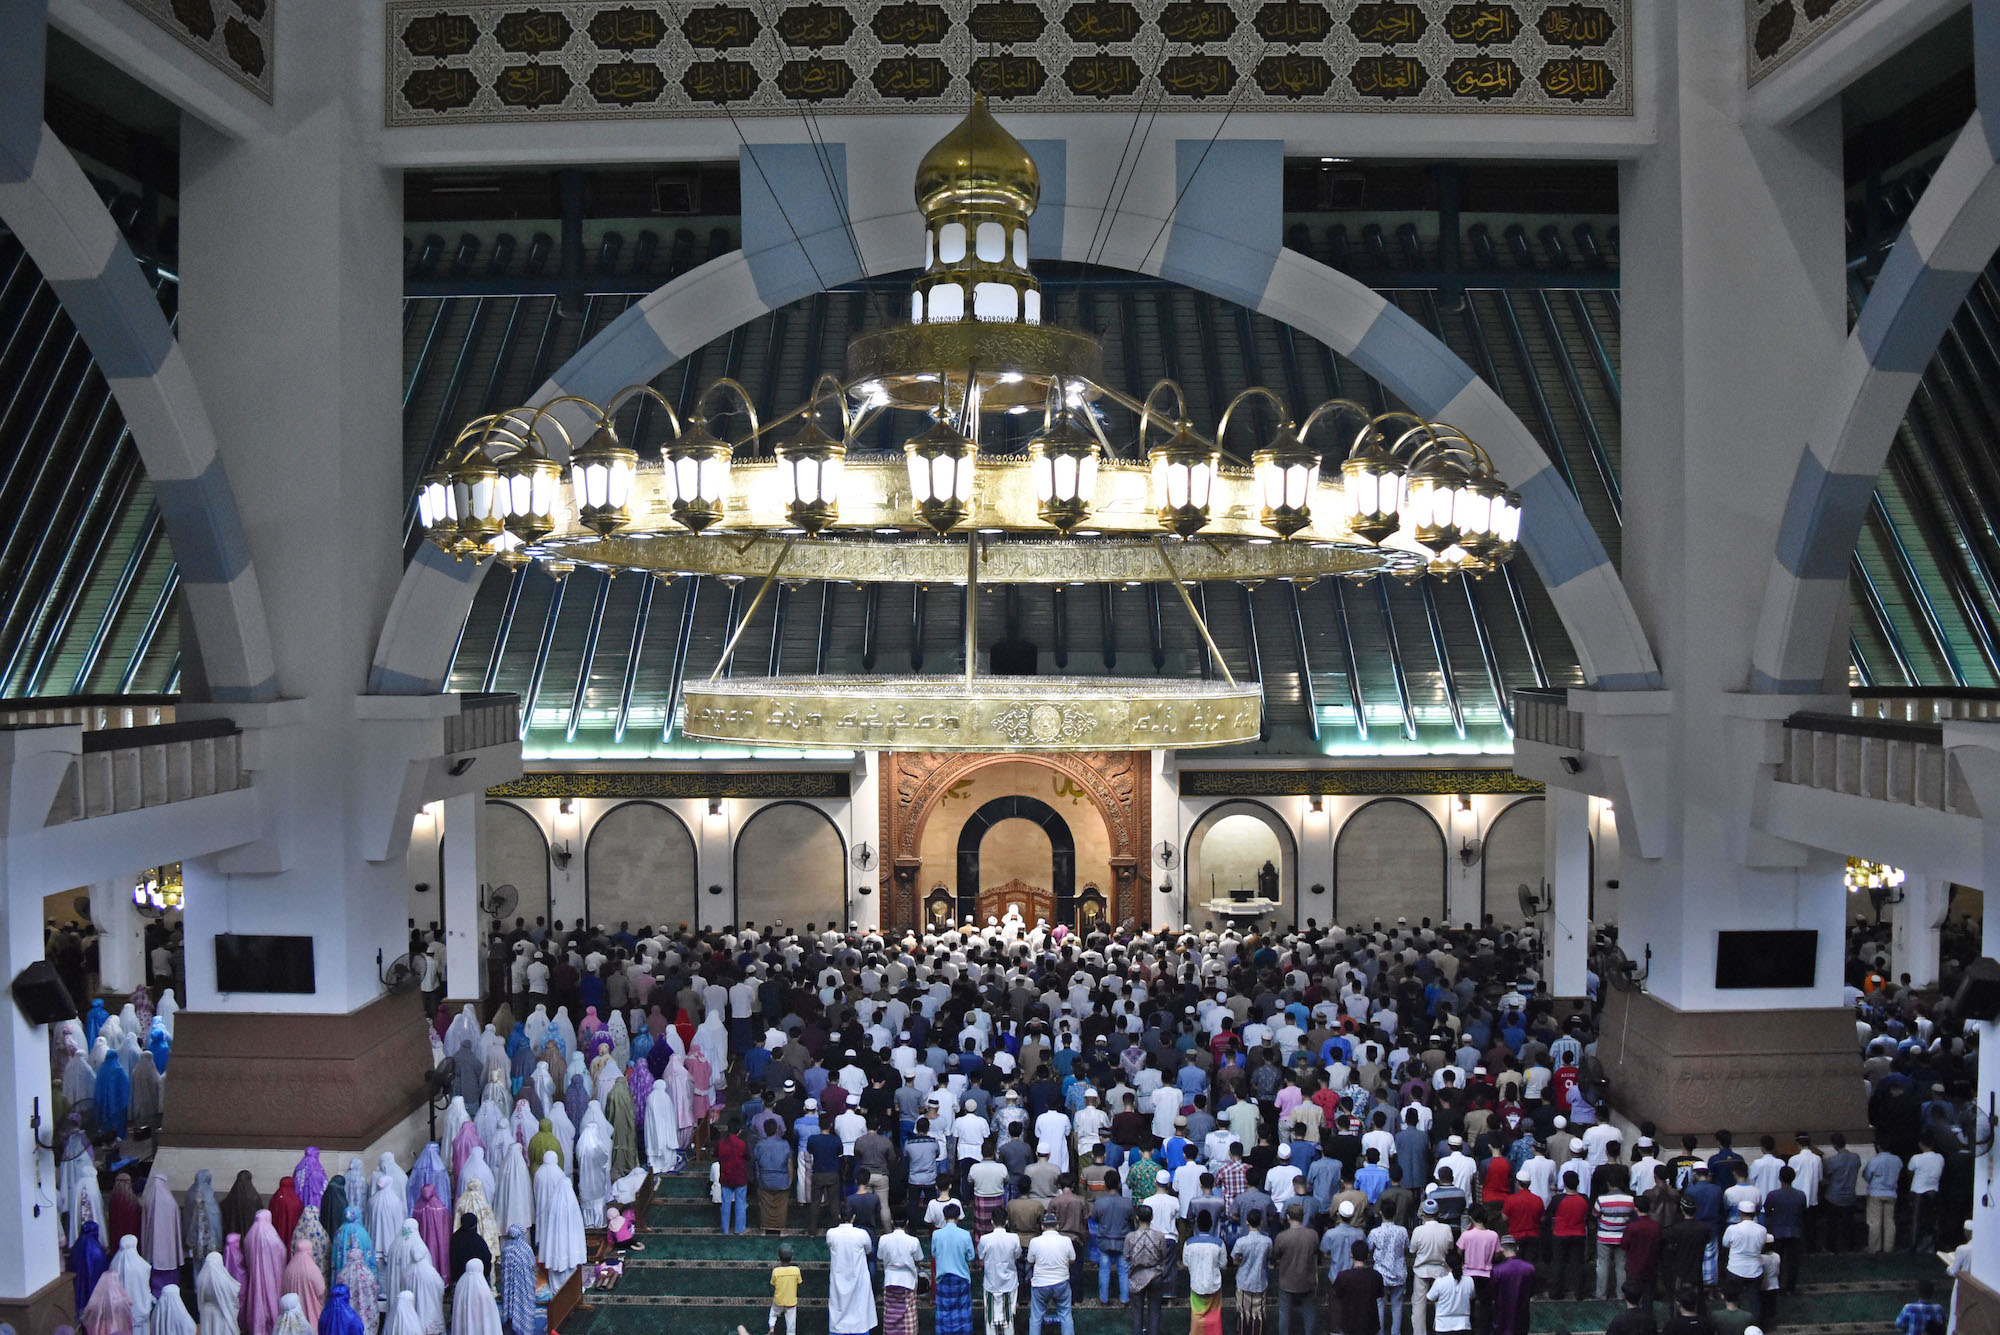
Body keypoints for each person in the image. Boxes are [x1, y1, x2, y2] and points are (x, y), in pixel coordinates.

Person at [825, 1206, 876, 1335]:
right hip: (858, 1276)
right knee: (859, 1307)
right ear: (854, 1217)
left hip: (839, 1275)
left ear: (839, 1217)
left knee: (839, 1307)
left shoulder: (831, 1233)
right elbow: (869, 1250)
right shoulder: (861, 1234)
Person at [1271, 1203, 1318, 1335]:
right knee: (1309, 1311)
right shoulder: (1313, 1235)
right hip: (1307, 1280)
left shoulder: (1282, 1237)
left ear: (1288, 1217)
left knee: (1284, 1313)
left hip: (1287, 1281)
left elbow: (1275, 1255)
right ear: (1303, 1217)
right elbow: (1316, 1252)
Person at [1125, 1205, 1171, 1335]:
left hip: (1136, 1276)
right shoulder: (1160, 1236)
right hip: (1155, 1275)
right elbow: (1164, 1255)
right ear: (1152, 1218)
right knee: (1155, 1310)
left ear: (1137, 1218)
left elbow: (1126, 1256)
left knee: (1137, 1312)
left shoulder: (1130, 1237)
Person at [932, 1204, 975, 1335]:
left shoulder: (937, 1234)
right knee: (962, 1311)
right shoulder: (965, 1234)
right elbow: (971, 1256)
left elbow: (934, 1253)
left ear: (944, 1217)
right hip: (961, 1277)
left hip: (943, 1277)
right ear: (958, 1217)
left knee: (944, 1311)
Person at [879, 1219, 925, 1335]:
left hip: (890, 1280)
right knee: (908, 1312)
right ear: (907, 1222)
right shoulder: (913, 1241)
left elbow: (880, 1256)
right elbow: (918, 1259)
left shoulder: (884, 1239)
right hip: (908, 1281)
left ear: (892, 1222)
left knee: (890, 1312)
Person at [1184, 1212, 1226, 1335]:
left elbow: (1186, 1263)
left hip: (1196, 1284)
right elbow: (1223, 1263)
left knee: (1197, 1315)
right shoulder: (1219, 1243)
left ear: (1197, 1225)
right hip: (1214, 1285)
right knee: (1215, 1315)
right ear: (1211, 1225)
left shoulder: (1188, 1243)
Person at [1231, 1208, 1272, 1335]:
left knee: (1243, 1315)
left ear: (1247, 1222)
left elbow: (1235, 1260)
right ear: (1260, 1222)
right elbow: (1268, 1258)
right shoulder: (1267, 1241)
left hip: (1244, 1282)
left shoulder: (1241, 1242)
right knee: (1258, 1316)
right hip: (1260, 1281)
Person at [979, 1217, 1022, 1335]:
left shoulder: (985, 1239)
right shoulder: (1014, 1238)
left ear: (992, 1221)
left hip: (991, 1282)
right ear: (1006, 1221)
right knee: (1009, 1318)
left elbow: (981, 1256)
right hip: (1009, 1281)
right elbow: (1018, 1254)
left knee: (990, 1318)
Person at [1331, 1240, 1385, 1335]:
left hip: (1349, 1323)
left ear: (1351, 1254)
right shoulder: (1376, 1276)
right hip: (1370, 1323)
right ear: (1368, 1255)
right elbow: (1379, 1294)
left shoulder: (1343, 1276)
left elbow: (1337, 1295)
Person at [1490, 1236, 1536, 1335]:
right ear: (1517, 1248)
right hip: (1522, 1314)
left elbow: (1493, 1292)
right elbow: (1532, 1290)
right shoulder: (1529, 1268)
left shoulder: (1497, 1270)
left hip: (1502, 1315)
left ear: (1501, 1249)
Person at [1429, 1249, 1474, 1335]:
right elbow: (1471, 1296)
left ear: (1446, 1264)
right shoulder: (1469, 1281)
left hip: (1443, 1325)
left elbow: (1431, 1297)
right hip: (1463, 1324)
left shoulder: (1440, 1282)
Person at [766, 1244, 801, 1335]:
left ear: (779, 1257)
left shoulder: (776, 1271)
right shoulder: (796, 1270)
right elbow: (799, 1282)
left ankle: (772, 1328)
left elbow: (773, 1283)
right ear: (792, 1257)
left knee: (773, 1314)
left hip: (779, 1301)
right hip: (791, 1302)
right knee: (791, 1327)